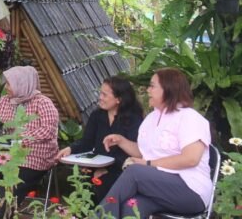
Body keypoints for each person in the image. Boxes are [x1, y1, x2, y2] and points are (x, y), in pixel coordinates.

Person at [99, 68, 212, 219]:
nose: (148, 90)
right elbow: (144, 153)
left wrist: (149, 164)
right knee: (132, 207)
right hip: (158, 187)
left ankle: (98, 217)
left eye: (152, 86)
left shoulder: (190, 118)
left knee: (134, 172)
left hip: (191, 190)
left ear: (168, 89)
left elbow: (191, 159)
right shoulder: (151, 118)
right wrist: (121, 141)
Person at [0, 65, 59, 210]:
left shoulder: (43, 103)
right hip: (5, 153)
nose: (6, 87)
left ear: (22, 84)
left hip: (31, 158)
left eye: (9, 84)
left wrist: (20, 138)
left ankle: (0, 212)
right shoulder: (5, 101)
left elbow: (48, 130)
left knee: (9, 187)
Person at [55, 75, 143, 201]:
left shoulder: (133, 119)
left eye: (104, 95)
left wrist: (106, 169)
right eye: (100, 93)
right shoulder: (97, 115)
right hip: (96, 164)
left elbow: (137, 152)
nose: (100, 97)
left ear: (118, 99)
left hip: (122, 168)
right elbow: (87, 142)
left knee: (103, 184)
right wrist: (70, 149)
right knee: (80, 183)